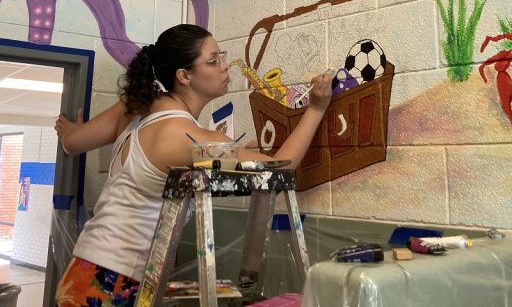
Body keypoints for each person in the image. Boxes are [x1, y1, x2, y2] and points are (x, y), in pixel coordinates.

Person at [55, 24, 332, 307]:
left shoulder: (137, 105)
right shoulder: (189, 137)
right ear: (184, 76)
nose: (225, 66)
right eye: (213, 61)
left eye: (221, 56)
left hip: (81, 271)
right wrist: (316, 108)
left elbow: (73, 143)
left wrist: (69, 131)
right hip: (114, 283)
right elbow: (279, 168)